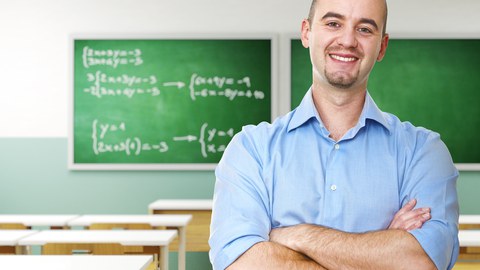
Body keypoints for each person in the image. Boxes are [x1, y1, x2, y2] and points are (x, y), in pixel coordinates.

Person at [209, 0, 459, 269]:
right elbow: (241, 263)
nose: (348, 40)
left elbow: (421, 263)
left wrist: (294, 236)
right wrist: (383, 248)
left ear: (382, 46)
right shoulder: (251, 150)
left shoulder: (423, 152)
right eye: (333, 24)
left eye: (364, 29)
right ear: (306, 32)